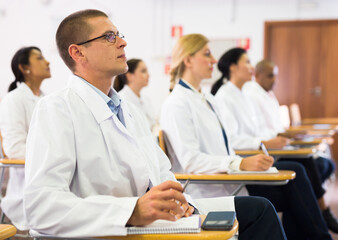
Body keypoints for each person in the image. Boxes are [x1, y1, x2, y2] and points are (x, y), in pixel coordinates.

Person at [23, 10, 286, 239]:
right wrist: (132, 211)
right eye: (109, 37)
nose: (123, 42)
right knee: (257, 213)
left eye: (119, 34)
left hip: (155, 221)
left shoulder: (126, 108)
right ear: (78, 52)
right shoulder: (57, 109)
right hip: (114, 228)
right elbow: (41, 206)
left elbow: (162, 171)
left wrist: (182, 203)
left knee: (259, 210)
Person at [160, 33, 333, 240]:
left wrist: (247, 163)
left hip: (229, 181)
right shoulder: (177, 104)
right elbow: (191, 161)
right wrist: (239, 164)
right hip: (208, 189)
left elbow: (227, 146)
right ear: (188, 60)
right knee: (274, 200)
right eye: (207, 54)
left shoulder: (208, 99)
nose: (214, 60)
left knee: (294, 179)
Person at [213, 48, 338, 234]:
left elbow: (259, 130)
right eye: (247, 62)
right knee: (300, 174)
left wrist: (276, 138)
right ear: (232, 67)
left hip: (259, 155)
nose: (251, 67)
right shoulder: (225, 97)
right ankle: (321, 225)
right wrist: (263, 143)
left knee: (303, 173)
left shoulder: (242, 95)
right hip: (246, 163)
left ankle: (316, 229)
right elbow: (232, 140)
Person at [0, 46, 50, 230]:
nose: (47, 61)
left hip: (54, 181)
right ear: (24, 68)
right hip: (27, 190)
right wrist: (52, 157)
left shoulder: (47, 100)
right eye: (39, 58)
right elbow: (14, 150)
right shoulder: (14, 100)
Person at [114, 58, 158, 132]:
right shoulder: (121, 100)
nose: (148, 75)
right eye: (143, 71)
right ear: (129, 76)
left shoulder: (146, 99)